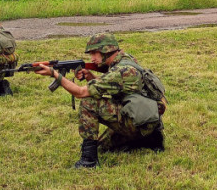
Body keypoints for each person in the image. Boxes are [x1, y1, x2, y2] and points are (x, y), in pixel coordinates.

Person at [34, 33, 166, 168]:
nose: (92, 58)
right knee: (102, 146)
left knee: (89, 102)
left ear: (106, 50)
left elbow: (80, 93)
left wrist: (55, 74)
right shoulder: (126, 59)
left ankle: (88, 161)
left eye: (94, 54)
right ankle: (150, 140)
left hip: (138, 123)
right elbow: (113, 86)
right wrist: (90, 76)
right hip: (147, 121)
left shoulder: (119, 72)